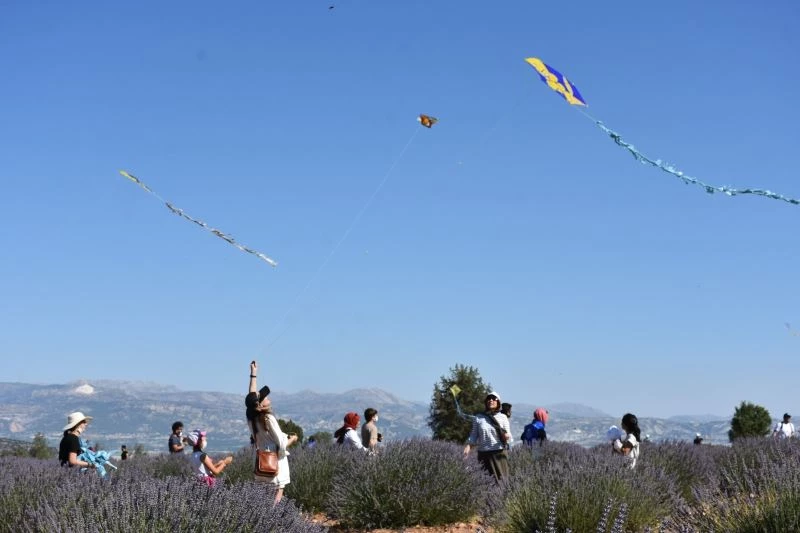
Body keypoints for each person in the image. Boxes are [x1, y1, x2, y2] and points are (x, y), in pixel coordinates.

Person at [246, 360, 298, 504]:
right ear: (260, 404)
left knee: (263, 496)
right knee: (277, 492)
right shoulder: (268, 418)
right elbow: (281, 444)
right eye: (265, 398)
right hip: (275, 460)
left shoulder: (251, 417)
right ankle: (272, 516)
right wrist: (292, 439)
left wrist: (253, 374)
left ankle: (261, 515)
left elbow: (251, 397)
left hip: (261, 460)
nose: (268, 399)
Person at [463, 391, 512, 482]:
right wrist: (468, 447)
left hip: (499, 454)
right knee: (485, 483)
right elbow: (473, 436)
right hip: (483, 455)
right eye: (489, 398)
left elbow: (509, 436)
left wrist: (506, 436)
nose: (491, 400)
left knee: (502, 482)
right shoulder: (478, 417)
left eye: (494, 398)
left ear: (498, 402)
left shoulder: (503, 417)